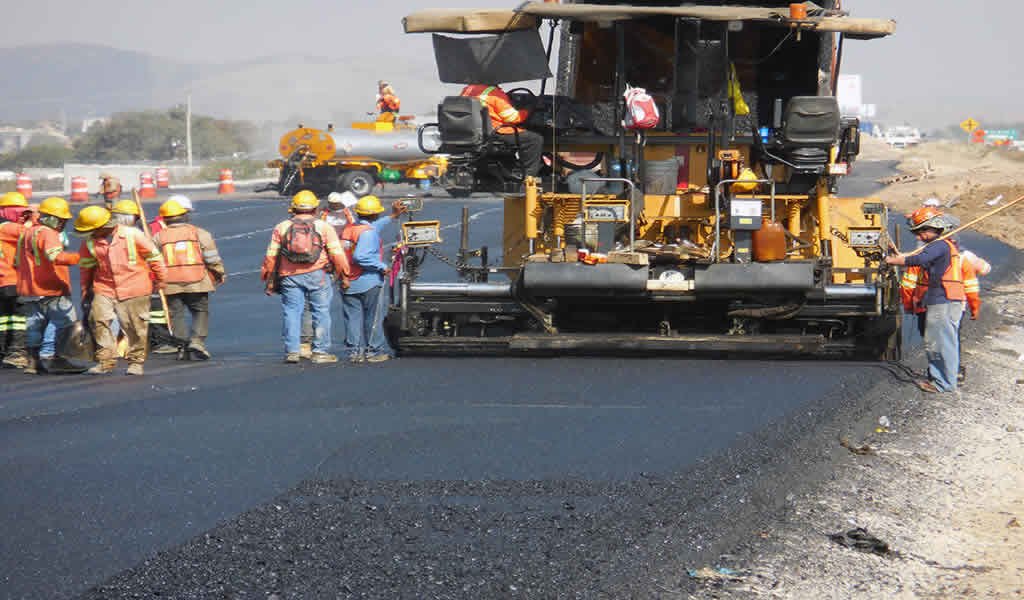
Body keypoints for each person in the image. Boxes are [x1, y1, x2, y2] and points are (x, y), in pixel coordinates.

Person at [261, 190, 351, 364]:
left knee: (292, 312)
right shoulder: (323, 227)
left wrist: (268, 279)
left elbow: (271, 256)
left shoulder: (282, 227)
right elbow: (337, 254)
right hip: (318, 275)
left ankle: (292, 351)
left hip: (289, 276)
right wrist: (344, 275)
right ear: (315, 208)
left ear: (293, 208)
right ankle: (320, 352)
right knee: (321, 311)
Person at [76, 205, 167, 376]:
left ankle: (136, 362)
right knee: (99, 321)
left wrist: (161, 279)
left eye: (93, 230)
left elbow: (154, 257)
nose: (91, 234)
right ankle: (105, 360)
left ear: (104, 226)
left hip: (134, 287)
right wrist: (85, 290)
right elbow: (86, 267)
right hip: (104, 287)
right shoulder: (89, 242)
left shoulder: (132, 235)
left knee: (135, 326)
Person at [886, 207, 965, 394]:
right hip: (948, 300)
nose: (919, 236)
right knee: (948, 342)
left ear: (935, 228)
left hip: (942, 301)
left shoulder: (938, 245)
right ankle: (948, 380)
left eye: (922, 231)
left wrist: (892, 261)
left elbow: (919, 259)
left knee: (938, 343)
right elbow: (920, 258)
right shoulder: (946, 246)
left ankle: (942, 383)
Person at [7, 197, 84, 374]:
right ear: (53, 218)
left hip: (29, 291)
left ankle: (33, 362)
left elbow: (18, 261)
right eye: (62, 220)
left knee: (34, 326)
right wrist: (79, 258)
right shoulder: (48, 233)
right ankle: (59, 359)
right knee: (68, 324)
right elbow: (55, 257)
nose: (64, 224)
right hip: (51, 290)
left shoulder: (26, 233)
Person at [152, 197, 225, 360]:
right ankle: (197, 342)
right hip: (197, 280)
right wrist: (219, 272)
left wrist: (157, 280)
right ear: (185, 216)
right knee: (200, 311)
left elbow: (153, 261)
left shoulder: (158, 237)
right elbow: (212, 257)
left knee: (175, 314)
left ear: (164, 219)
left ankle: (181, 345)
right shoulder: (199, 233)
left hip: (170, 283)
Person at [341, 195, 405, 363]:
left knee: (352, 317)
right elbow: (360, 256)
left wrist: (393, 216)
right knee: (373, 317)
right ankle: (373, 351)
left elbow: (373, 227)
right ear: (375, 214)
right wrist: (382, 267)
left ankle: (354, 352)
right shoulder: (368, 234)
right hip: (367, 281)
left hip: (347, 280)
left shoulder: (351, 229)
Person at [460, 83, 543, 177]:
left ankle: (508, 168)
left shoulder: (467, 89)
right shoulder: (494, 93)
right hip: (495, 131)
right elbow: (513, 118)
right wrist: (528, 110)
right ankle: (528, 177)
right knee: (534, 139)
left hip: (473, 131)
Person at [0, 192, 32, 365]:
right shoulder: (8, 227)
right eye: (21, 212)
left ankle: (4, 350)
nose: (22, 216)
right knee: (18, 318)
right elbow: (31, 234)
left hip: (4, 282)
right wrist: (34, 218)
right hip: (13, 280)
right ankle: (17, 352)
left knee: (4, 318)